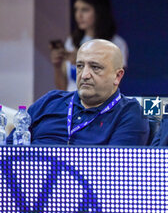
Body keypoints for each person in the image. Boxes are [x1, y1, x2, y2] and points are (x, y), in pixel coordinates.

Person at [7, 39, 149, 145]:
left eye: (95, 67)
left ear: (117, 76)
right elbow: (7, 153)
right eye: (80, 66)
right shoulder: (50, 101)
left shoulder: (129, 113)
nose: (84, 74)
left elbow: (114, 171)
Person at [50, 0, 128, 91]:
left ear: (99, 11)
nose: (79, 15)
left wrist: (84, 61)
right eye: (76, 9)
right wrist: (57, 67)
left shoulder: (116, 44)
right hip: (72, 103)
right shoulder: (72, 41)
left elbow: (113, 85)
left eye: (85, 10)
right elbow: (63, 88)